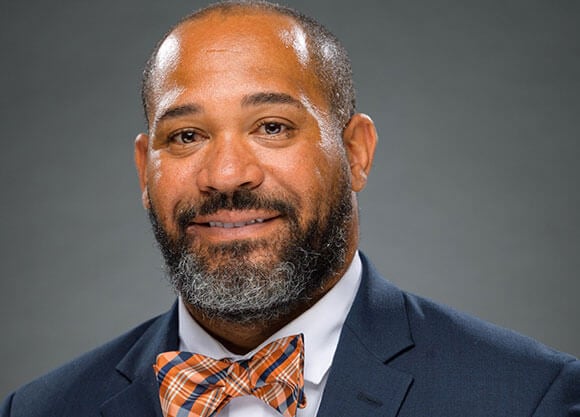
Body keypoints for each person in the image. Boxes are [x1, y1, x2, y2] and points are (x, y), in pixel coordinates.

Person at [2, 1, 579, 416]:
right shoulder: (38, 409)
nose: (226, 175)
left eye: (272, 126)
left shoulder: (528, 397)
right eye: (186, 136)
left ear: (356, 153)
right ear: (143, 171)